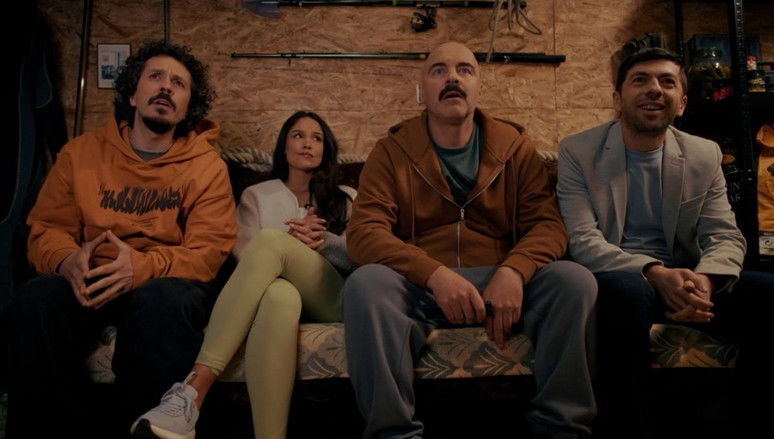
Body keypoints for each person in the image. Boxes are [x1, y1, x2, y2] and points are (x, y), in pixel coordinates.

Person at [342, 41, 598, 439]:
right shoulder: (391, 151)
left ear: (478, 87)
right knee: (365, 284)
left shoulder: (516, 149)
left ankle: (561, 429)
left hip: (501, 282)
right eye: (438, 71)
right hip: (421, 287)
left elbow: (548, 225)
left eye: (464, 70)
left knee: (574, 280)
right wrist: (435, 274)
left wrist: (514, 271)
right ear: (422, 91)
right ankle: (393, 434)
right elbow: (363, 232)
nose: (452, 78)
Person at [3, 40, 236, 438]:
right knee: (34, 300)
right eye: (155, 76)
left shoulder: (207, 167)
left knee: (166, 302)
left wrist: (142, 267)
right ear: (132, 93)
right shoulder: (79, 154)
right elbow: (46, 228)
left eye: (179, 83)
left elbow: (208, 253)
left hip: (160, 281)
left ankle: (146, 429)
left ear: (187, 108)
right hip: (90, 278)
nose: (166, 87)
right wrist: (66, 259)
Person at [556, 47, 774, 438]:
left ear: (682, 103)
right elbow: (583, 240)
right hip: (622, 277)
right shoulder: (578, 151)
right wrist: (655, 273)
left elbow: (724, 234)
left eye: (667, 81)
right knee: (626, 293)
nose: (654, 89)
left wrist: (705, 281)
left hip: (689, 282)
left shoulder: (703, 154)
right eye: (640, 80)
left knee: (773, 294)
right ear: (617, 99)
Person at [132, 111, 357, 439]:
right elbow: (245, 256)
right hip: (273, 294)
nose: (307, 143)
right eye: (297, 135)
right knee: (279, 294)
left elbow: (362, 255)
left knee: (271, 241)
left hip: (331, 296)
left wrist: (323, 243)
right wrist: (290, 241)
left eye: (316, 137)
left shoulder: (347, 197)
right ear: (283, 147)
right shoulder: (257, 195)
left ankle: (193, 390)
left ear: (326, 149)